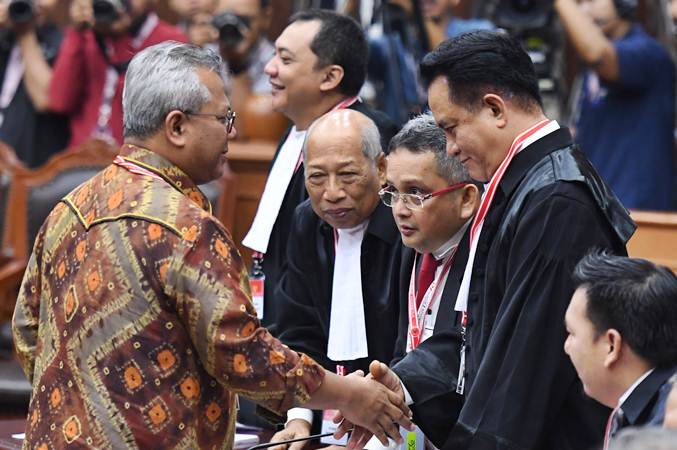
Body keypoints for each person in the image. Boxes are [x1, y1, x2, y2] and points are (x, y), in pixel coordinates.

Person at [11, 41, 413, 449]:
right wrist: (349, 395)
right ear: (177, 126)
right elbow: (244, 357)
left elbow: (28, 330)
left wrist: (84, 402)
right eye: (224, 117)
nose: (233, 131)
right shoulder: (187, 226)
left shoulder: (69, 208)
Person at [339, 30, 637, 450]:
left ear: (495, 108)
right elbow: (479, 329)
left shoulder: (556, 200)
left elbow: (525, 370)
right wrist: (402, 384)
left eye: (451, 128)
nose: (451, 148)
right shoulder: (527, 183)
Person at [242, 9, 398, 332]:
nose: (269, 68)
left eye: (285, 60)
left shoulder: (371, 135)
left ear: (330, 77)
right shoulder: (295, 130)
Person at [269, 108, 402, 449]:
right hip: (330, 421)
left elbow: (414, 344)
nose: (331, 193)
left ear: (381, 169)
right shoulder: (305, 222)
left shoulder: (407, 226)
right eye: (316, 177)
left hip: (403, 421)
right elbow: (298, 330)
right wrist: (299, 420)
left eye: (347, 175)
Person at [377, 113, 479, 447]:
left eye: (416, 193)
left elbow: (467, 353)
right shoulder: (410, 246)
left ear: (466, 199)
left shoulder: (486, 259)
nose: (400, 209)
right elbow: (404, 344)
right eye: (392, 191)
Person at [555, 0, 675, 210]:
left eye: (590, 1)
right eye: (578, 3)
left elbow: (598, 54)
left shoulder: (648, 53)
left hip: (638, 212)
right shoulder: (590, 69)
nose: (583, 10)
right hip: (599, 207)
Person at [564, 252, 677, 447]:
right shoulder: (640, 408)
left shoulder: (663, 433)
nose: (567, 347)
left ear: (611, 345)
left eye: (572, 333)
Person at [48, 0, 187, 148]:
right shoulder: (89, 35)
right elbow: (59, 102)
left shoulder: (171, 42)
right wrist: (77, 32)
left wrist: (121, 39)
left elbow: (152, 115)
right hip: (81, 161)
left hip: (134, 162)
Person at [0, 0, 69, 167]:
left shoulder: (64, 41)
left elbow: (46, 99)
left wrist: (25, 33)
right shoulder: (5, 35)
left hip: (32, 173)